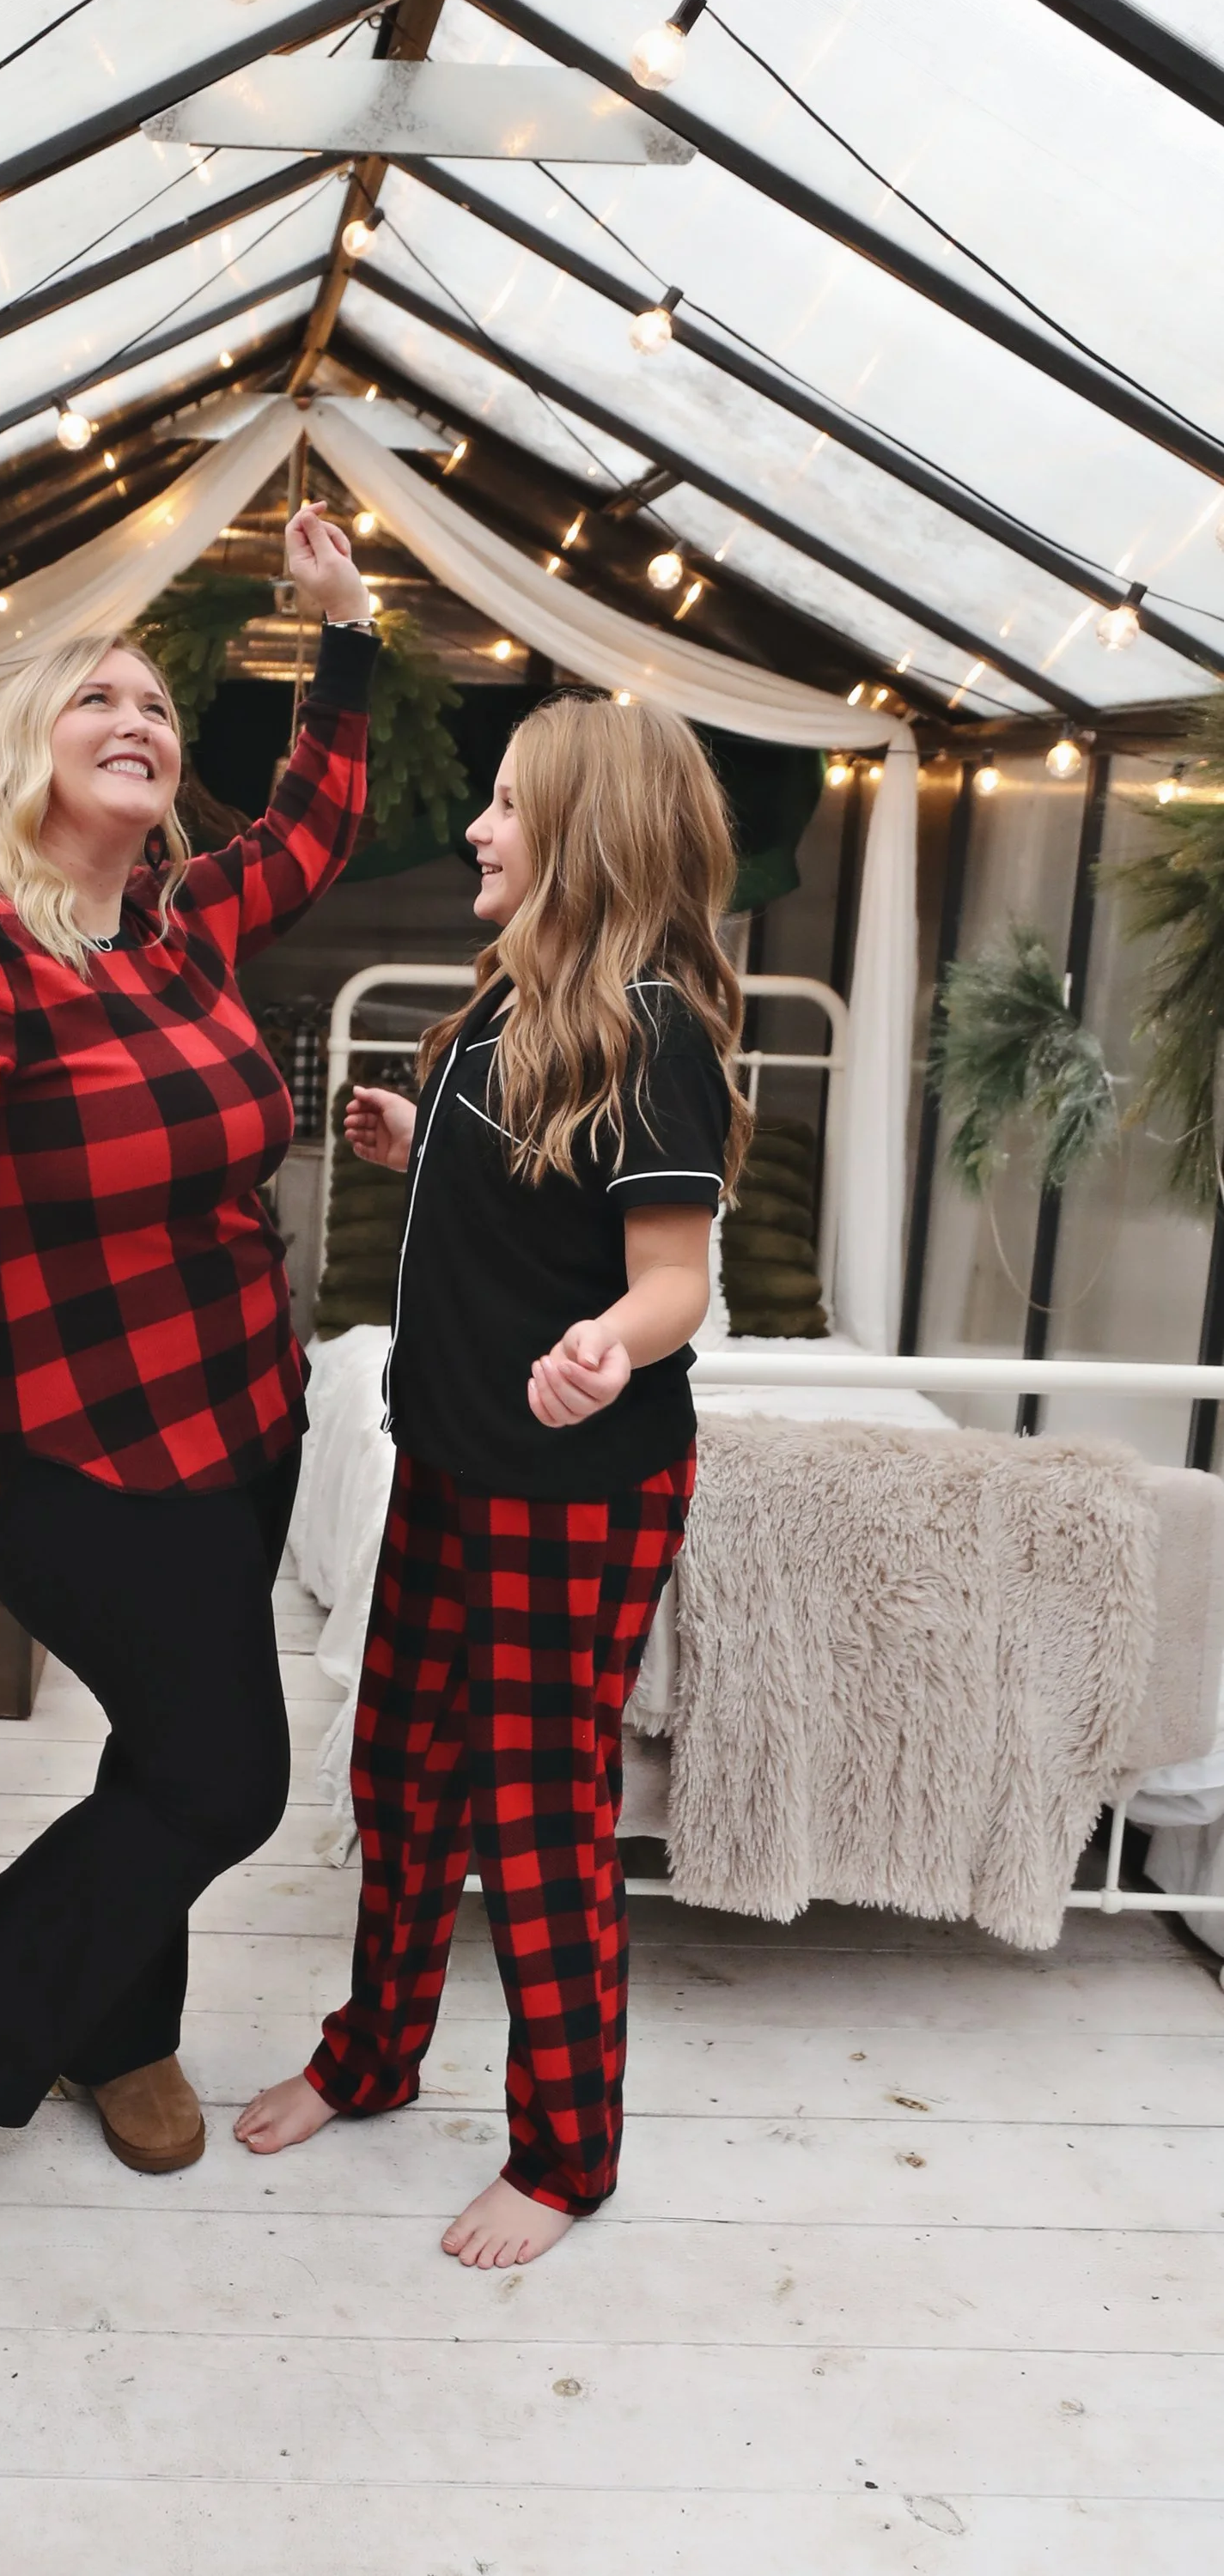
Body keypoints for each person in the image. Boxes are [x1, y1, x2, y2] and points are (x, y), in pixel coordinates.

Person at [0, 505, 378, 2215]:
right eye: (95, 702)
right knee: (223, 1776)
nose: (138, 722)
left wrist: (343, 634)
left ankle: (117, 2026)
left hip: (233, 1427)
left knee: (159, 1756)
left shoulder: (175, 923)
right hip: (63, 1449)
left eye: (157, 707)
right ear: (22, 750)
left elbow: (313, 827)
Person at [235, 693, 751, 2267]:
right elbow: (517, 1196)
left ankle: (566, 2155)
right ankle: (374, 2053)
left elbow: (672, 1271)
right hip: (453, 1461)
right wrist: (409, 1142)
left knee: (536, 1814)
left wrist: (610, 1339)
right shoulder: (490, 1013)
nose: (477, 826)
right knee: (397, 1772)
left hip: (577, 1488)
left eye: (511, 806)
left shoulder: (654, 1034)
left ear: (588, 839)